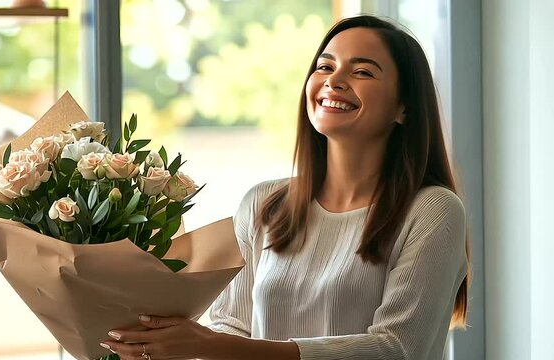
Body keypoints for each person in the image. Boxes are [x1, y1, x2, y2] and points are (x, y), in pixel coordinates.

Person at [101, 15, 470, 360]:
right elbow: (232, 328)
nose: (333, 80)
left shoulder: (432, 210)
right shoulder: (264, 202)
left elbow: (396, 348)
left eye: (362, 72)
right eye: (325, 66)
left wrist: (209, 343)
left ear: (403, 107)